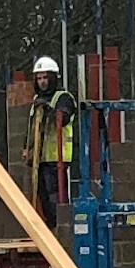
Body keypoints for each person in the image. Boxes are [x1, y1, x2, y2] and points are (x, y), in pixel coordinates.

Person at [27, 53, 81, 233]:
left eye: (45, 78)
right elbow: (31, 128)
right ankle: (49, 229)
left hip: (58, 158)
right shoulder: (36, 101)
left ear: (52, 78)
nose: (42, 82)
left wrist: (48, 108)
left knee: (55, 197)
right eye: (39, 78)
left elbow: (62, 119)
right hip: (40, 159)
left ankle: (60, 230)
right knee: (43, 197)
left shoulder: (63, 98)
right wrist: (27, 149)